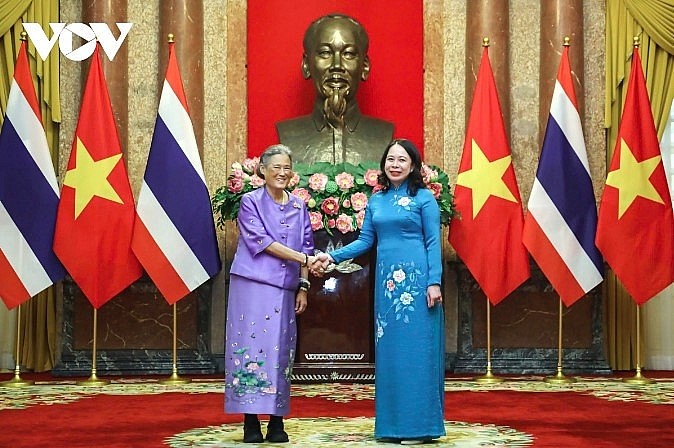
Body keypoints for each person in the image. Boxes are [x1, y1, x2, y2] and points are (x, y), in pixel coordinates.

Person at [317, 139, 445, 444]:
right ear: (383, 165)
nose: (396, 165)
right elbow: (365, 242)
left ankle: (418, 427)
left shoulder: (424, 198)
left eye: (402, 160)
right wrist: (330, 257)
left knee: (417, 353)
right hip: (387, 288)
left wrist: (434, 281)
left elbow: (433, 242)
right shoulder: (377, 200)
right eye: (391, 159)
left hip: (417, 285)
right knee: (391, 355)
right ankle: (391, 427)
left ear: (413, 165)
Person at [224, 144, 323, 443]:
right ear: (262, 170)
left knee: (280, 350)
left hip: (285, 289)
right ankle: (250, 421)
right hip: (252, 286)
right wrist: (305, 260)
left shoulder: (298, 206)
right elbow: (262, 241)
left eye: (286, 168)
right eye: (276, 167)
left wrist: (303, 285)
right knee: (250, 349)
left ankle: (277, 421)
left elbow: (307, 246)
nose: (282, 173)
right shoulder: (249, 202)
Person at [276, 13, 394, 165]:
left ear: (364, 66)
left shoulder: (383, 134)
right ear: (306, 65)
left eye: (348, 54)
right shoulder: (288, 133)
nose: (337, 65)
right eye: (325, 53)